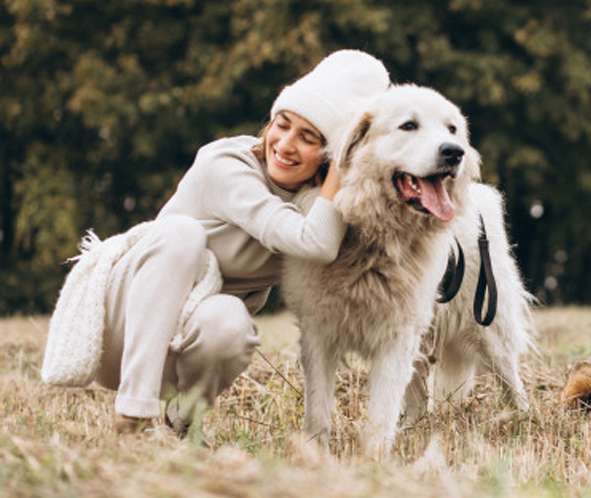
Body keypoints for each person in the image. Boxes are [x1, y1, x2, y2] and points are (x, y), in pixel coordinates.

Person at [47, 50, 390, 438]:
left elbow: (374, 252)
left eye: (308, 138)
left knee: (231, 321)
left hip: (181, 352)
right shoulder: (226, 163)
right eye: (282, 124)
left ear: (331, 153)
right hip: (121, 331)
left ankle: (182, 420)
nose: (286, 144)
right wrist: (342, 168)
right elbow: (317, 245)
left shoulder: (320, 204)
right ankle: (133, 415)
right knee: (182, 233)